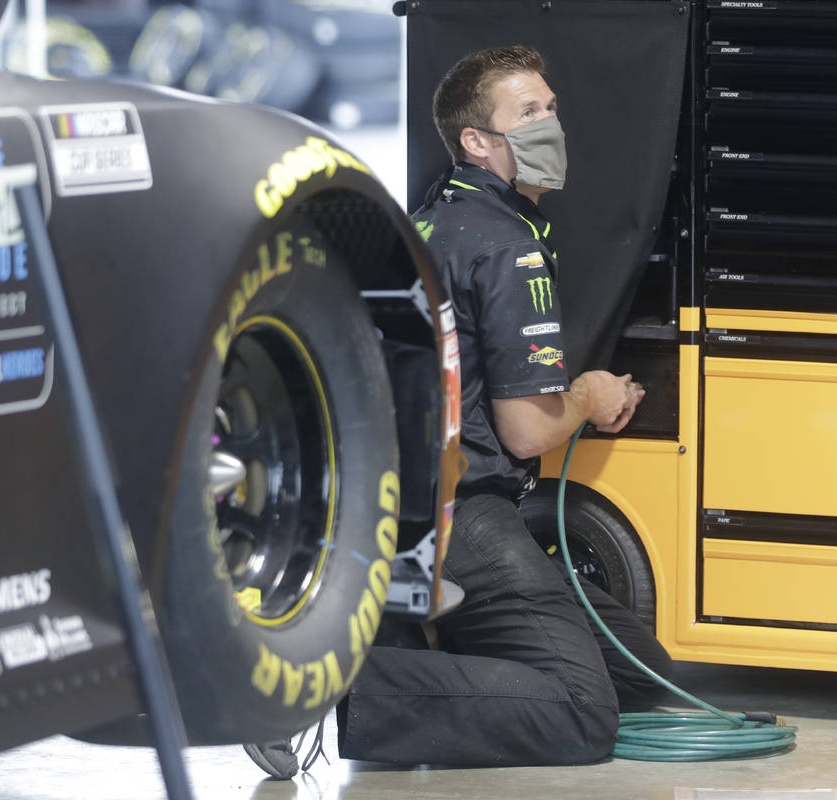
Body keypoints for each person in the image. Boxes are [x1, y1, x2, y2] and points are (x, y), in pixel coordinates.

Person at [246, 44, 672, 777]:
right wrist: (592, 396)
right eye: (528, 113)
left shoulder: (429, 223)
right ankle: (327, 690)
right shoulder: (509, 249)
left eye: (552, 108)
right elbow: (528, 429)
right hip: (462, 511)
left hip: (392, 506)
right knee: (583, 711)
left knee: (643, 671)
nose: (551, 125)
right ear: (476, 141)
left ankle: (425, 660)